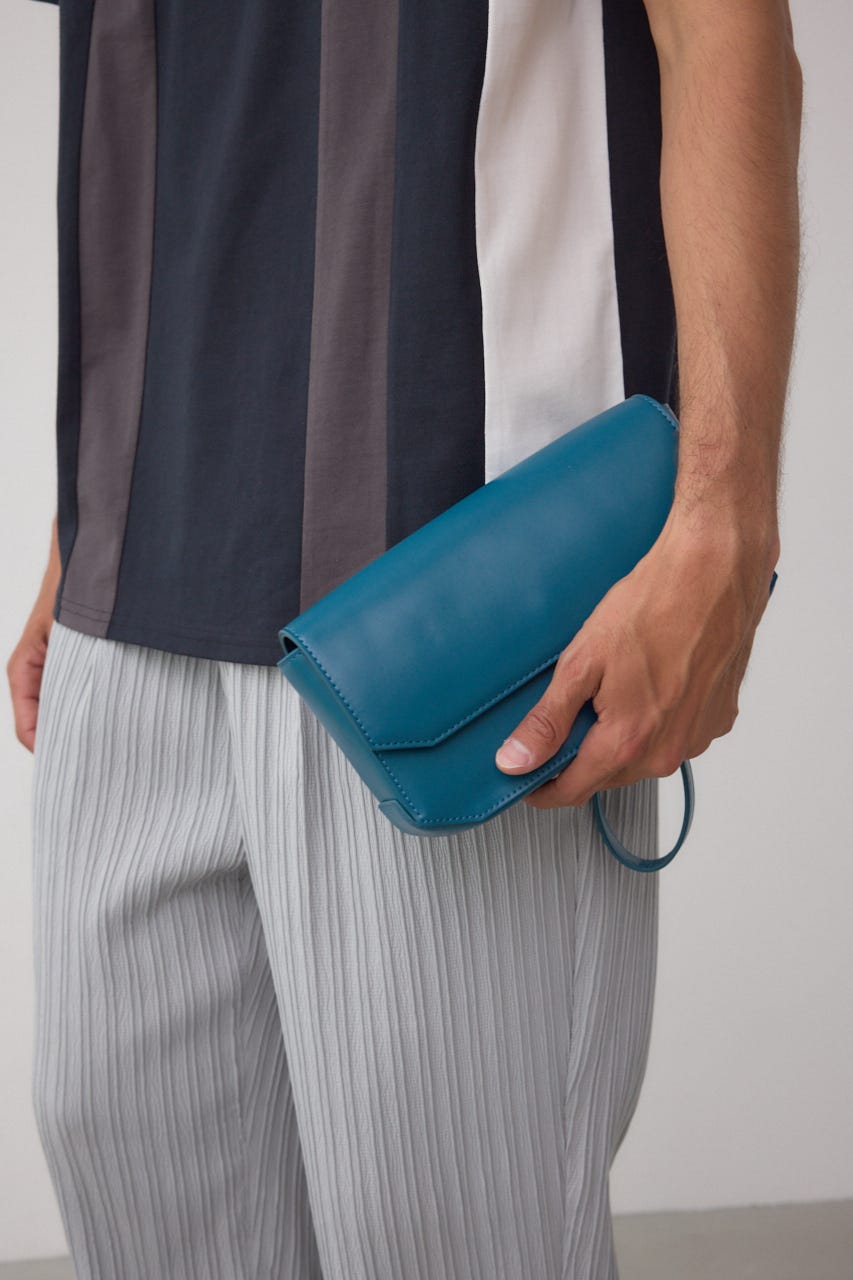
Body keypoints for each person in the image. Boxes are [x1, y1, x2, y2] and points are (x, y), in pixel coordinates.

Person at [7, 0, 801, 1276]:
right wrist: (82, 516)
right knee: (136, 1194)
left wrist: (724, 508)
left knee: (450, 1236)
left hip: (455, 598)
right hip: (133, 579)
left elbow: (721, 31)